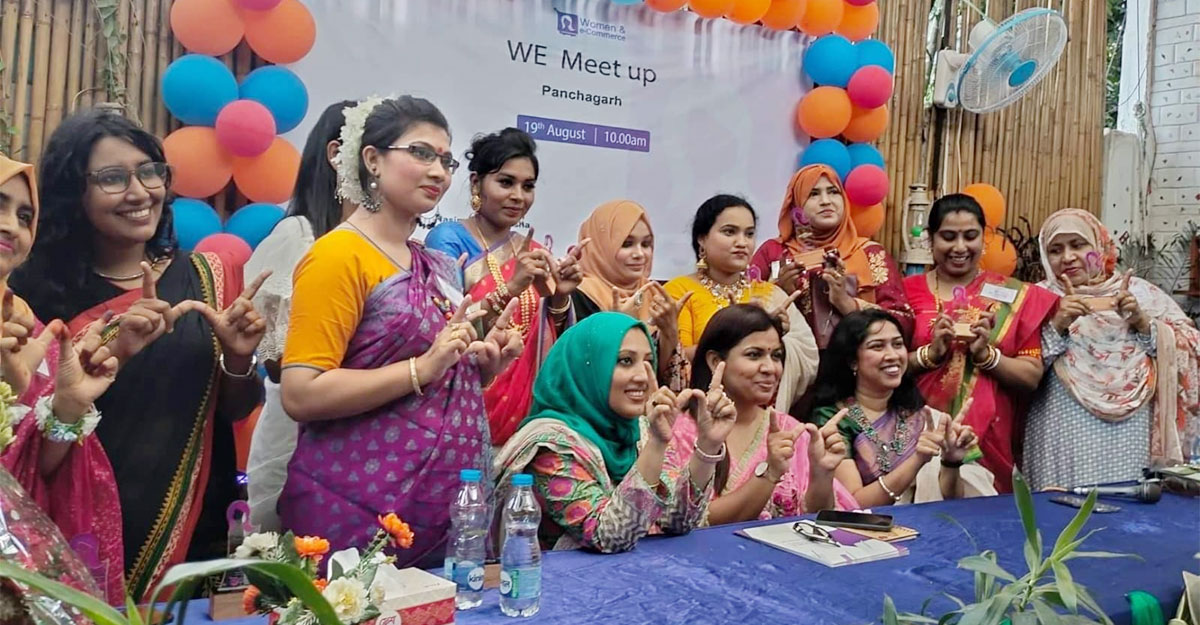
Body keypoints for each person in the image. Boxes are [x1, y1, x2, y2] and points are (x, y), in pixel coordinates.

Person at [10, 110, 268, 599]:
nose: (139, 191)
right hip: (75, 517)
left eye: (150, 172)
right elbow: (19, 429)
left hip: (193, 526)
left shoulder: (207, 278)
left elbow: (232, 410)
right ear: (73, 192)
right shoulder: (33, 294)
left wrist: (238, 361)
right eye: (112, 178)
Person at [278, 96, 522, 567]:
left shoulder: (438, 265)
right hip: (356, 510)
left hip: (446, 512)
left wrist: (482, 367)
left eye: (446, 160)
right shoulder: (338, 256)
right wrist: (422, 368)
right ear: (372, 159)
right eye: (421, 153)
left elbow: (438, 378)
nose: (438, 172)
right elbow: (301, 392)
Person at [493, 312, 736, 553]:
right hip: (561, 577)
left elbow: (677, 521)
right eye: (625, 361)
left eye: (648, 361)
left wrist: (708, 445)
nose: (642, 376)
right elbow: (610, 536)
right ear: (587, 368)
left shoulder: (642, 429)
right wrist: (657, 443)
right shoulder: (552, 446)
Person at [0, 153, 125, 603]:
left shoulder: (31, 334)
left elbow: (38, 476)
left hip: (17, 575)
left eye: (25, 216)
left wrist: (67, 410)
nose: (12, 226)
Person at [424, 128, 581, 445]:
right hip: (462, 402)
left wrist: (561, 297)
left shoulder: (532, 250)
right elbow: (443, 328)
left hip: (525, 415)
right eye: (506, 182)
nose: (518, 196)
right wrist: (511, 287)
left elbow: (549, 342)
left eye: (528, 186)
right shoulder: (448, 240)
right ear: (475, 183)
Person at [1024, 208, 1200, 490]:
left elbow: (1190, 346)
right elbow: (1020, 370)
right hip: (1062, 426)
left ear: (1100, 247)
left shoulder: (1141, 294)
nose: (1068, 257)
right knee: (1061, 508)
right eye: (1056, 250)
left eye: (1078, 245)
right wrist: (1057, 324)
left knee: (1126, 501)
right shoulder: (1035, 299)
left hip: (1130, 430)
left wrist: (1142, 322)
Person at [245, 100, 356, 532]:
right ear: (337, 154)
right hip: (297, 442)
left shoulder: (387, 247)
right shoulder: (299, 236)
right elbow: (276, 362)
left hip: (364, 444)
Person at [901, 194, 1057, 492]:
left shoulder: (1012, 295)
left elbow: (1031, 376)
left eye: (970, 236)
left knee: (982, 514)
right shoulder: (907, 291)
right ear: (931, 239)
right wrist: (931, 354)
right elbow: (881, 366)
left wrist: (986, 356)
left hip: (989, 439)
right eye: (948, 237)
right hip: (918, 432)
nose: (960, 247)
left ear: (983, 238)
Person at [666, 305, 858, 524]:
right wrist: (769, 474)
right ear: (716, 362)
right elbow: (685, 521)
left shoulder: (790, 430)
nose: (770, 368)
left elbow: (817, 519)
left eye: (776, 356)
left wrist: (822, 475)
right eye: (754, 355)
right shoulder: (681, 432)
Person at [809, 310, 995, 506]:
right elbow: (854, 503)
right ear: (852, 361)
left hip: (931, 523)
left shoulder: (923, 415)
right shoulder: (834, 419)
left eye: (897, 344)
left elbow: (952, 500)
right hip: (869, 524)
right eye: (877, 346)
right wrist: (917, 459)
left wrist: (951, 462)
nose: (892, 355)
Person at [664, 194, 819, 413]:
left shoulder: (770, 294)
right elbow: (674, 361)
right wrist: (740, 336)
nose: (742, 242)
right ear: (702, 239)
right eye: (729, 232)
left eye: (749, 234)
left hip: (758, 414)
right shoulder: (680, 291)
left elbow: (807, 356)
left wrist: (778, 336)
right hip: (699, 411)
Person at [750, 165, 913, 346]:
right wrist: (779, 293)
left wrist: (846, 303)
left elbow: (903, 322)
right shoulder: (773, 252)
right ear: (796, 204)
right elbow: (743, 316)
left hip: (855, 360)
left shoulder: (869, 253)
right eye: (813, 194)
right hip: (788, 358)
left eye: (833, 192)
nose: (826, 201)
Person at [571, 199, 688, 389]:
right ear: (601, 246)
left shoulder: (653, 294)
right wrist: (618, 326)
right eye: (627, 244)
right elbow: (581, 370)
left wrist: (670, 333)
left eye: (646, 244)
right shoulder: (580, 294)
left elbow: (669, 381)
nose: (640, 254)